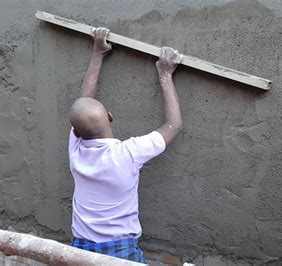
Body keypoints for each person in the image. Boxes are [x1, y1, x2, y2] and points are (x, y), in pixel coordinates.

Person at [68, 27, 183, 263]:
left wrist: (97, 54)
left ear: (77, 132)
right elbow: (174, 125)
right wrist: (165, 74)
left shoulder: (75, 150)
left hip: (80, 249)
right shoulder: (128, 154)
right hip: (120, 251)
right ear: (110, 116)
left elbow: (83, 104)